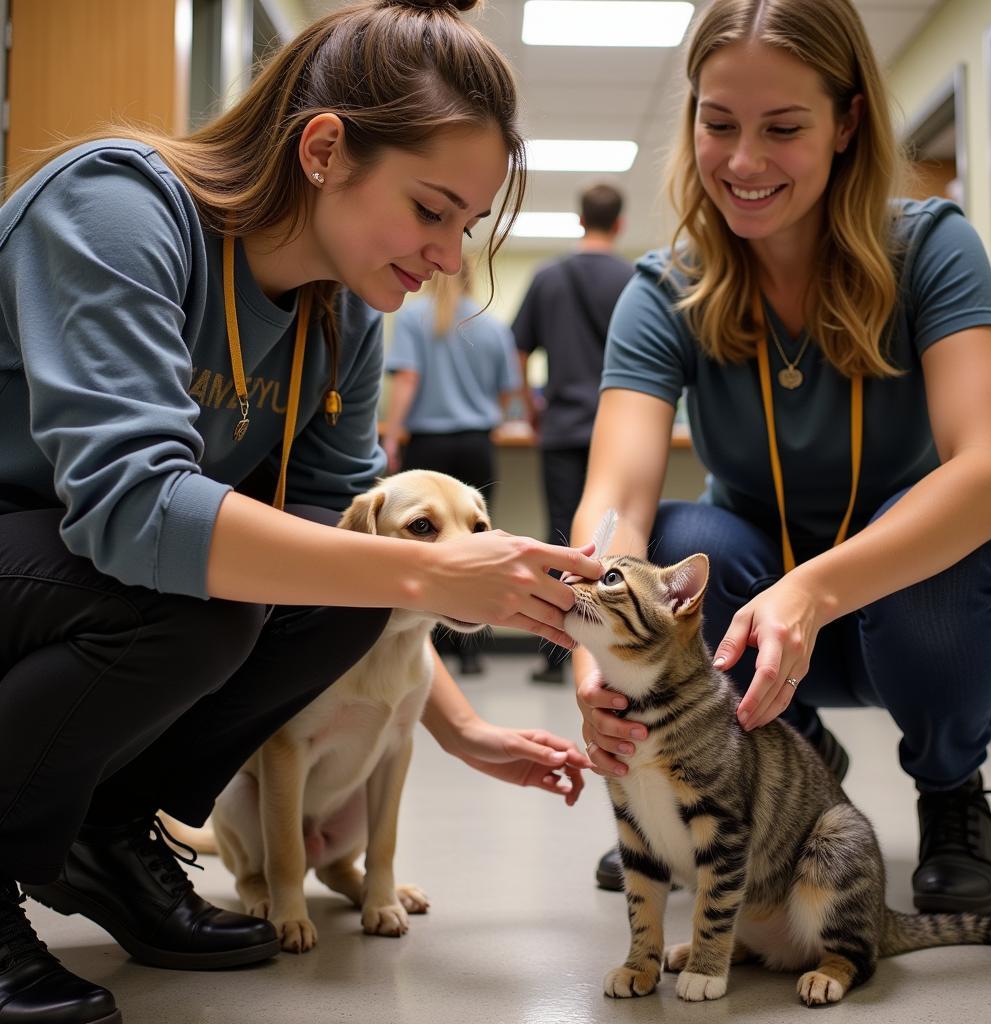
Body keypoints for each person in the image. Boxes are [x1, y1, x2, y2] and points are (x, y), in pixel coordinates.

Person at [0, 2, 604, 1022]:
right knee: (194, 600)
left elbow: (351, 555)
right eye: (431, 209)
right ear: (324, 149)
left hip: (72, 570)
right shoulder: (114, 207)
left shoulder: (343, 313)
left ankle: (102, 835)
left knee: (332, 582)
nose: (449, 255)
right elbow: (132, 506)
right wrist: (437, 573)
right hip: (45, 542)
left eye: (464, 225)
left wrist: (450, 723)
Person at [572, 0, 991, 912]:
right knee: (683, 536)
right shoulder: (664, 291)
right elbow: (617, 496)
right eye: (718, 122)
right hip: (760, 623)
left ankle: (950, 791)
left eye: (783, 128)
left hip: (937, 613)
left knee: (938, 547)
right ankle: (781, 765)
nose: (743, 162)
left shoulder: (933, 248)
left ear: (847, 122)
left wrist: (815, 590)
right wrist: (594, 644)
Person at [512, 182, 635, 683]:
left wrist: (532, 408)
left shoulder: (548, 277)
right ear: (620, 224)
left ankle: (556, 655)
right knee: (619, 533)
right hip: (621, 430)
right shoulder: (634, 279)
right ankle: (616, 651)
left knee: (561, 537)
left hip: (561, 427)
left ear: (580, 220)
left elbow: (517, 352)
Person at [382, 264, 522, 674]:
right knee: (477, 548)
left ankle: (431, 649)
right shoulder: (492, 326)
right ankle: (472, 652)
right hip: (477, 445)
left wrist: (392, 435)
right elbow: (506, 392)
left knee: (427, 551)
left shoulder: (412, 317)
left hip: (429, 446)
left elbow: (407, 379)